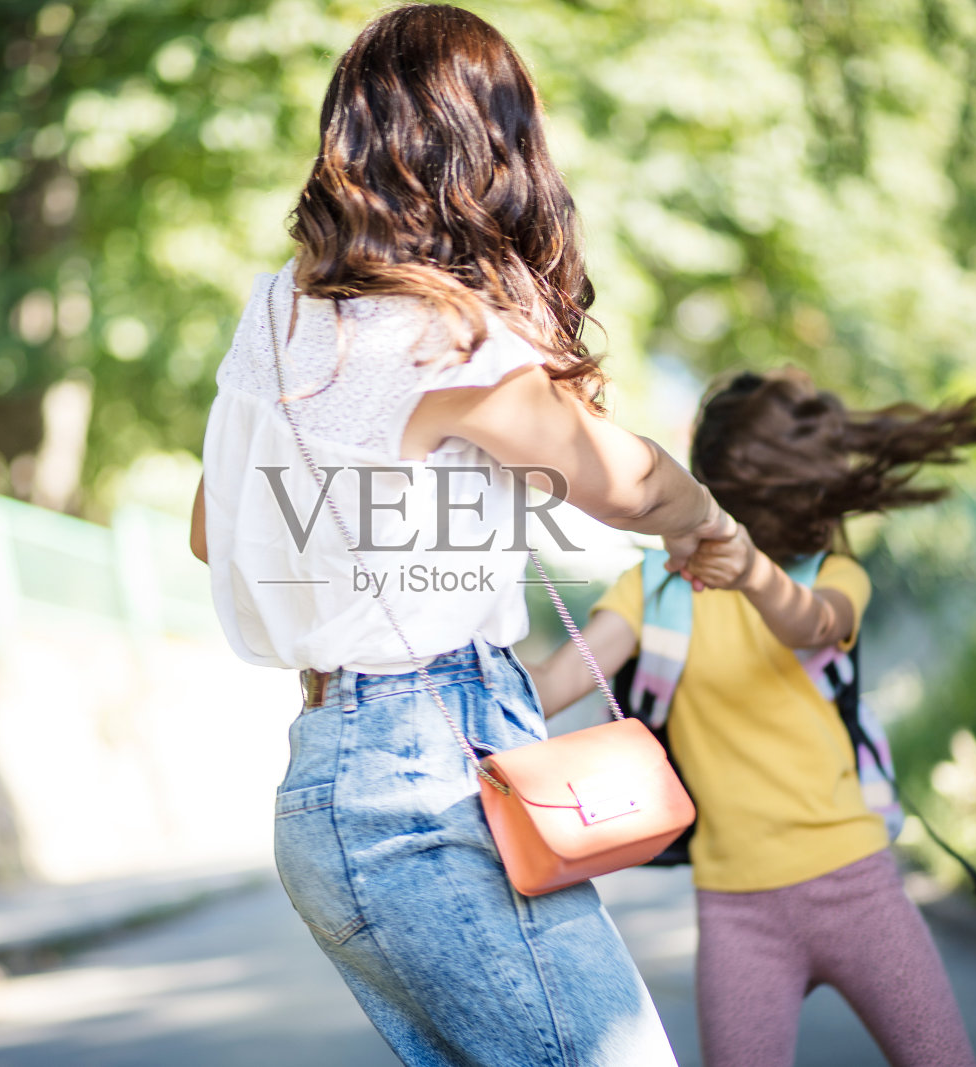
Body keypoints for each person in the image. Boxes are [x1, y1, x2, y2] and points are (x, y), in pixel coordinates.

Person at [189, 6, 737, 1065]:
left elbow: (218, 534)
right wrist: (705, 524)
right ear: (487, 150)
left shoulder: (272, 321)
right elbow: (622, 479)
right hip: (420, 779)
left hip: (334, 783)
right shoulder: (438, 332)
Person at [529, 368, 976, 1067]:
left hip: (859, 884)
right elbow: (555, 682)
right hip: (736, 910)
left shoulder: (835, 575)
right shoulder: (655, 586)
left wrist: (751, 569)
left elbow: (809, 624)